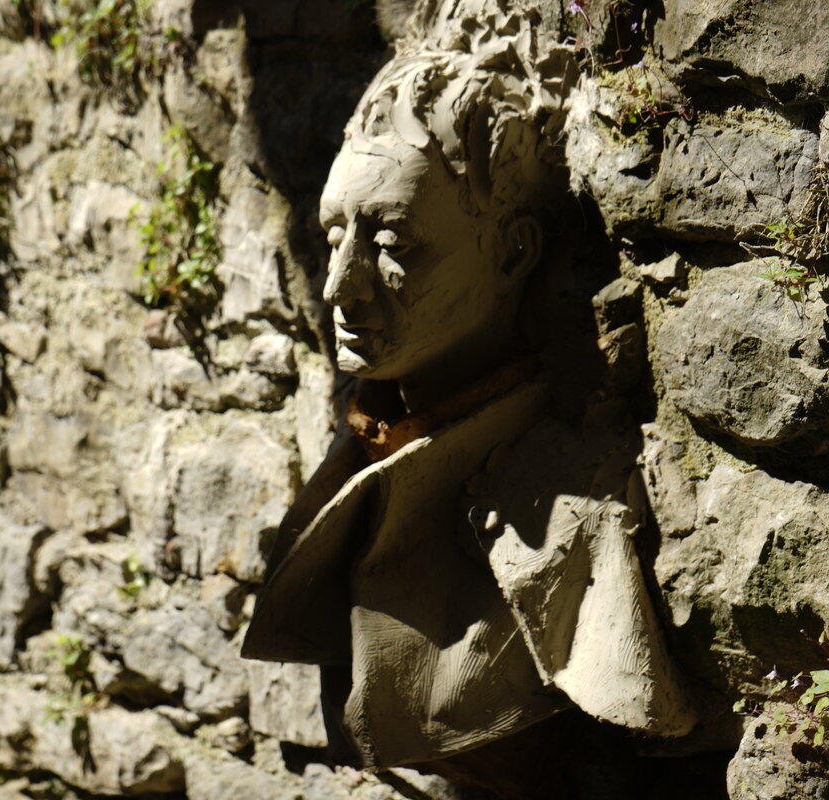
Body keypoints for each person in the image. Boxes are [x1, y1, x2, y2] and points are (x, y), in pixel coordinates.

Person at [241, 28, 694, 795]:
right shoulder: (367, 436)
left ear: (514, 252)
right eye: (334, 235)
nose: (340, 285)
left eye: (392, 241)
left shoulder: (575, 508)